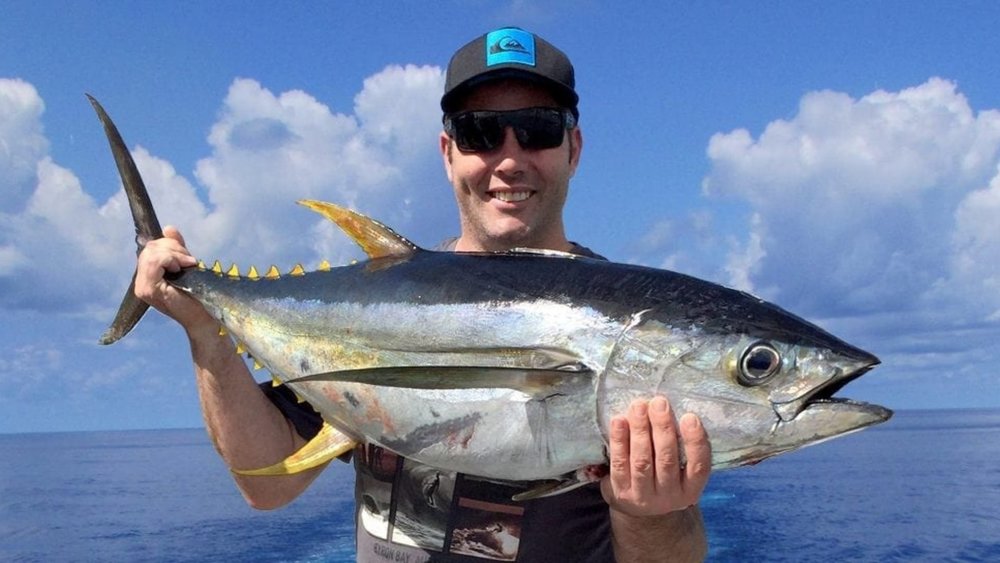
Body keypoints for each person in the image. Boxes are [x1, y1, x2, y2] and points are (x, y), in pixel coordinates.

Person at [134, 26, 711, 562]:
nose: (509, 159)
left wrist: (653, 512)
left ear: (573, 149)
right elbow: (269, 482)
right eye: (479, 132)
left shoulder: (629, 331)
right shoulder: (374, 301)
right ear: (447, 152)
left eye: (538, 129)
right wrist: (205, 331)